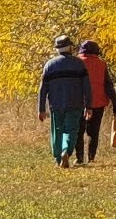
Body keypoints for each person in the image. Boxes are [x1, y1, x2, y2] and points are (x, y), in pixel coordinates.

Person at [37, 35, 92, 167]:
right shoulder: (79, 64)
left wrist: (41, 109)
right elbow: (87, 86)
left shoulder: (50, 65)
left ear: (57, 49)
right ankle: (66, 151)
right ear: (70, 47)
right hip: (75, 104)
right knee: (71, 130)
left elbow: (43, 89)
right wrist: (89, 106)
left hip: (56, 105)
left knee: (57, 131)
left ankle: (58, 159)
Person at [79, 40, 116, 164]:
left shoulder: (76, 62)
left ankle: (79, 158)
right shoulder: (101, 64)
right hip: (98, 102)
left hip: (80, 102)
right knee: (93, 132)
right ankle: (91, 157)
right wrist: (115, 103)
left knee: (79, 131)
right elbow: (108, 85)